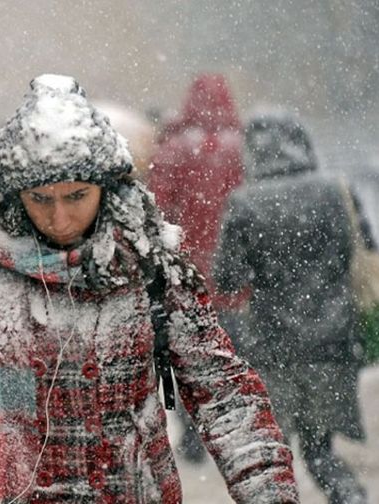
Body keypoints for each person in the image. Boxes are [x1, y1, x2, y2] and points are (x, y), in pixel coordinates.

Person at [0, 75, 297, 503]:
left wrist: (271, 494)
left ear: (107, 189)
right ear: (14, 196)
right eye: (41, 200)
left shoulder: (147, 263)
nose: (60, 219)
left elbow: (226, 394)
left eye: (77, 196)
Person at [214, 110, 369, 504]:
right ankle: (352, 498)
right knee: (320, 451)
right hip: (332, 344)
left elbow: (229, 276)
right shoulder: (335, 189)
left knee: (269, 455)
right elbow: (363, 247)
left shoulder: (245, 203)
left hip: (273, 347)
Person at [148, 74, 247, 462]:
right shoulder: (243, 148)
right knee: (230, 355)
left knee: (190, 356)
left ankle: (193, 434)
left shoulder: (173, 148)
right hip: (233, 276)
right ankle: (231, 428)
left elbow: (156, 208)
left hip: (187, 273)